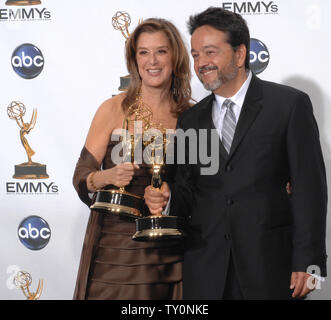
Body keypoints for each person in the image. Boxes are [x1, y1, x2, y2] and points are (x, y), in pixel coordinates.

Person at [144, 7, 327, 300]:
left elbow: (309, 189)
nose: (201, 63)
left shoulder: (288, 105)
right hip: (206, 267)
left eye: (210, 52)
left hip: (270, 267)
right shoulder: (191, 120)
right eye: (195, 55)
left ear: (240, 54)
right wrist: (167, 199)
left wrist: (309, 261)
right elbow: (186, 188)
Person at [72, 18, 191, 300]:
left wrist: (170, 193)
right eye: (143, 52)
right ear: (133, 59)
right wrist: (105, 177)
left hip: (167, 247)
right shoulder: (112, 109)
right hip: (114, 247)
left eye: (161, 51)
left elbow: (199, 185)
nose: (153, 61)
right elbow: (81, 172)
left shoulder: (192, 114)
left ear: (175, 56)